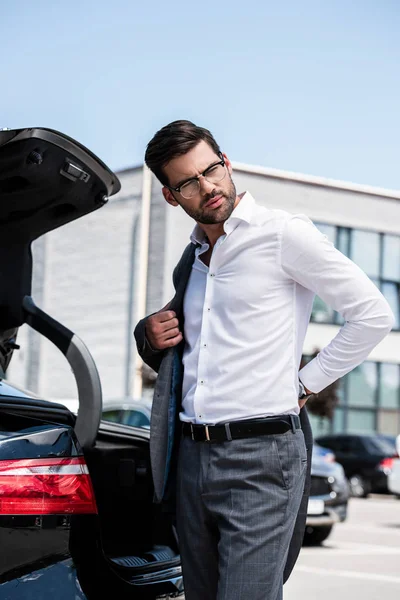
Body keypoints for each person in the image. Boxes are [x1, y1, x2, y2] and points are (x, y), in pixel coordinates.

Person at [134, 120, 394, 600]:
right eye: (188, 182)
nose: (207, 186)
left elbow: (373, 314)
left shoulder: (282, 235)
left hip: (261, 455)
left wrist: (304, 384)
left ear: (226, 163)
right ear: (172, 197)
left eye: (211, 169)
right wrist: (147, 335)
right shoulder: (190, 261)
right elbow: (181, 346)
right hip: (190, 456)